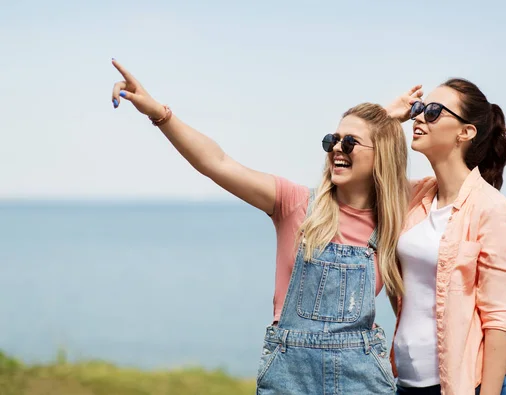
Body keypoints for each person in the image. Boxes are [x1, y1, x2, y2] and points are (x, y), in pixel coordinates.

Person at [110, 59, 415, 394]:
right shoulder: (295, 204)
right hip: (290, 380)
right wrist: (159, 113)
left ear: (382, 152)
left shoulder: (398, 215)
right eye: (332, 140)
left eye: (349, 143)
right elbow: (216, 162)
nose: (336, 150)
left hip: (362, 380)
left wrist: (386, 122)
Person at [385, 78, 506, 395]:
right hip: (406, 384)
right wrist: (388, 116)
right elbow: (355, 167)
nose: (418, 117)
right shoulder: (414, 196)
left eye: (432, 111)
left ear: (465, 132)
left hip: (463, 386)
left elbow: (497, 320)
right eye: (419, 108)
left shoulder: (492, 209)